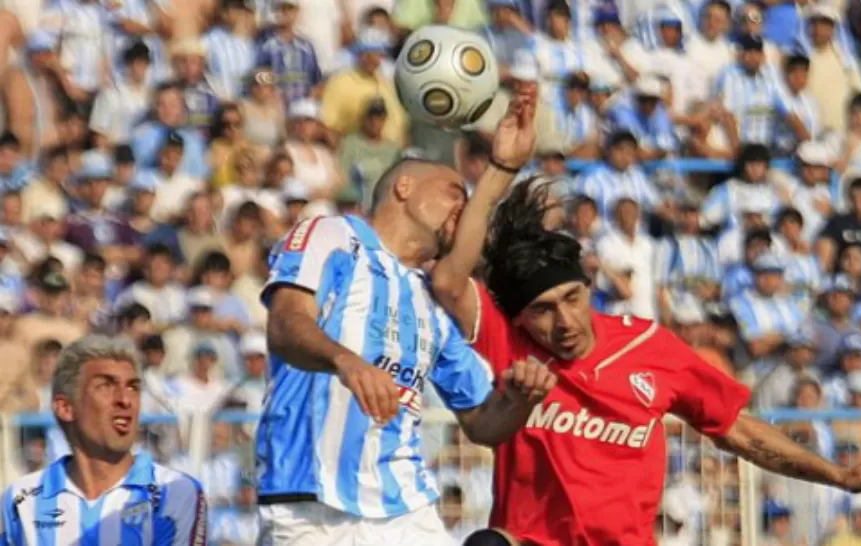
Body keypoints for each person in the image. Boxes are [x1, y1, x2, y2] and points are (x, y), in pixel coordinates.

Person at [429, 170, 861, 544]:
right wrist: (500, 168)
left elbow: (741, 430)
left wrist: (838, 474)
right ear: (518, 318)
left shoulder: (650, 347)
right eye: (543, 310)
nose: (565, 322)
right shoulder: (510, 344)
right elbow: (449, 282)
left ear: (590, 286)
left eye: (572, 298)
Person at [255, 85, 556, 544]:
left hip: (403, 508)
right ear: (404, 186)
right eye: (456, 191)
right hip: (309, 504)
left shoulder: (432, 301)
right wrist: (347, 361)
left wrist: (521, 398)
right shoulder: (333, 234)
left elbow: (481, 422)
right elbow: (285, 324)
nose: (465, 205)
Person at [0, 334, 207, 545]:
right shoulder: (21, 501)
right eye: (106, 386)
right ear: (65, 408)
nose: (125, 400)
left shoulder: (174, 494)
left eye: (133, 387)